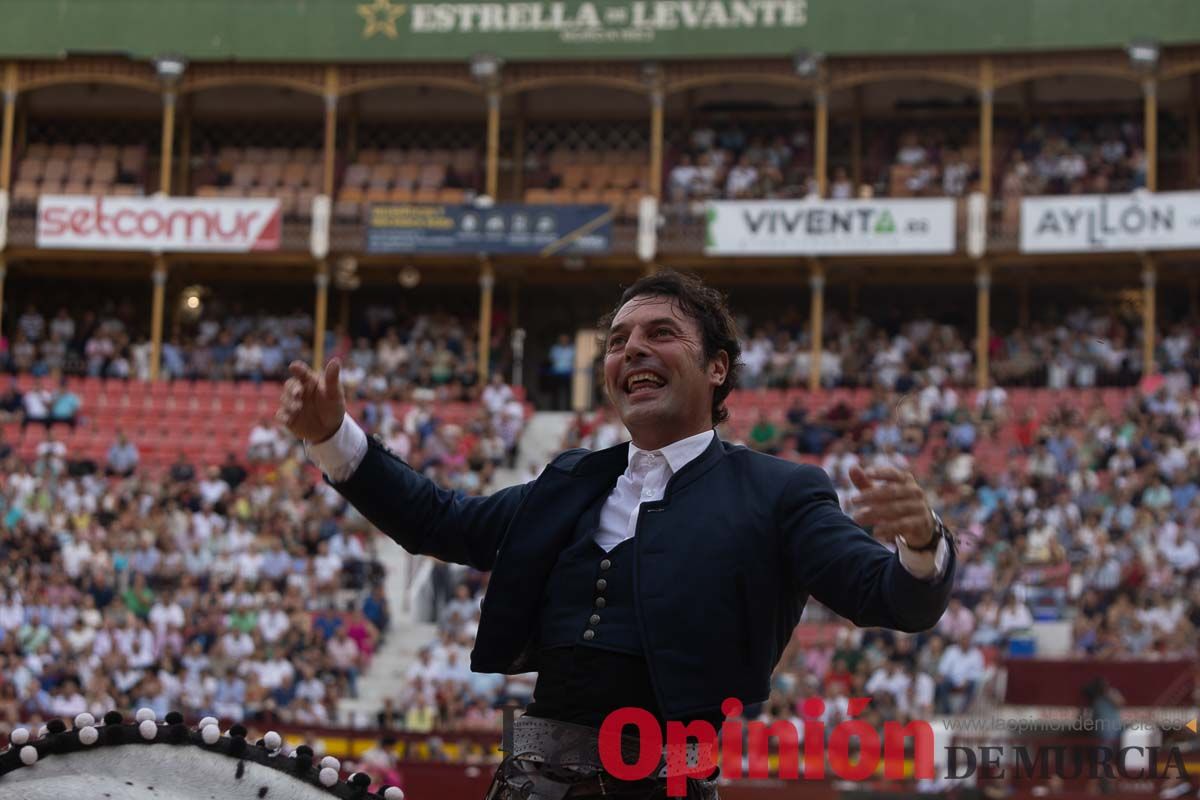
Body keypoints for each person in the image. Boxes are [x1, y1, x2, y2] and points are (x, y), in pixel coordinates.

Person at [278, 269, 956, 800]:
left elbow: (889, 596)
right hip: (529, 789)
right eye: (617, 340)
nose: (632, 348)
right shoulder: (570, 483)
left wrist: (922, 544)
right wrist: (333, 438)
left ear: (717, 368)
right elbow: (439, 521)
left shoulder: (779, 492)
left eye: (660, 333)